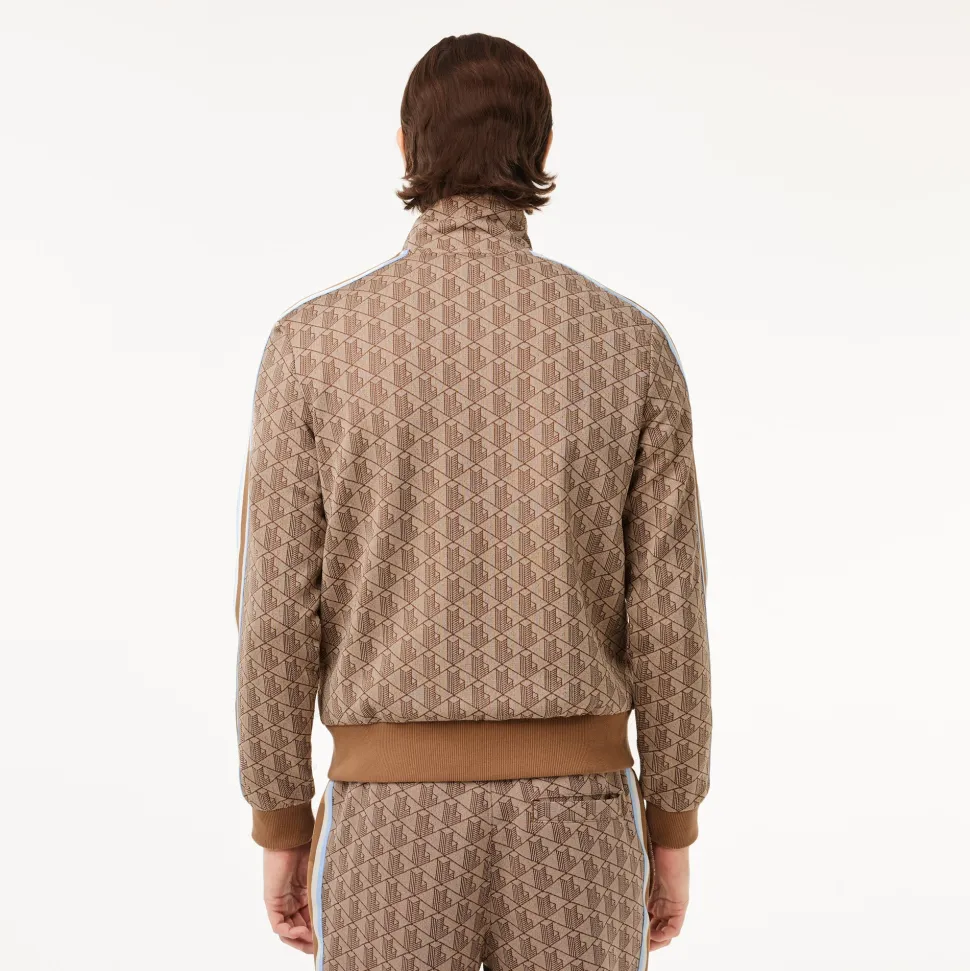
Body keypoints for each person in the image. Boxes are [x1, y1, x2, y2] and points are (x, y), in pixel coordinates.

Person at [235, 32, 711, 971]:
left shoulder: (310, 347)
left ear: (405, 148)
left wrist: (280, 819)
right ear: (541, 150)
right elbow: (669, 616)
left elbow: (277, 613)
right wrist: (672, 823)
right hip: (578, 822)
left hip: (386, 827)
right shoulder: (629, 347)